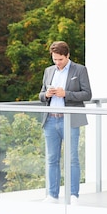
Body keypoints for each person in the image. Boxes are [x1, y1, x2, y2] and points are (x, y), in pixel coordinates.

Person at [39, 41, 92, 205]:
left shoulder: (80, 70)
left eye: (60, 59)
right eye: (55, 59)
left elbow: (87, 94)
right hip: (50, 120)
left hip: (69, 120)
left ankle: (73, 195)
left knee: (72, 158)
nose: (57, 63)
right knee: (51, 159)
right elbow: (40, 96)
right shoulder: (48, 71)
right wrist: (46, 94)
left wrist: (66, 94)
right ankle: (52, 195)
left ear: (67, 56)